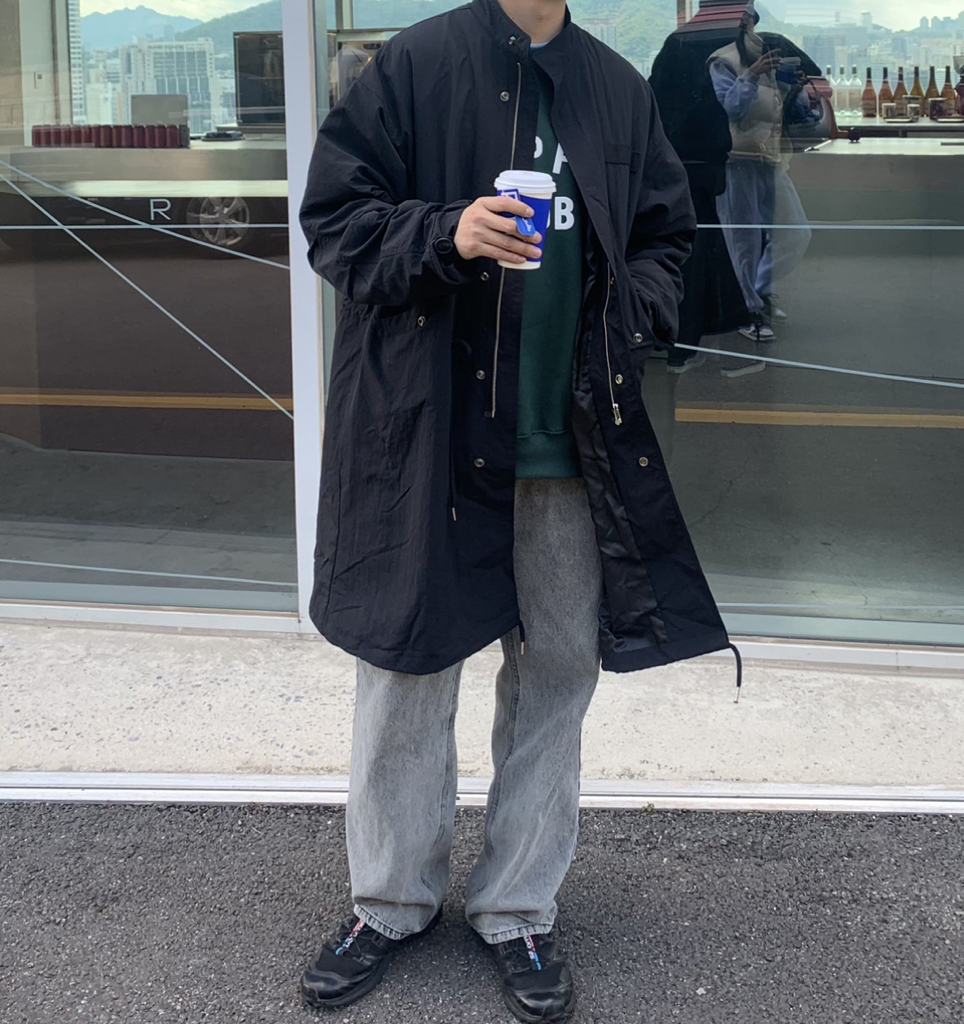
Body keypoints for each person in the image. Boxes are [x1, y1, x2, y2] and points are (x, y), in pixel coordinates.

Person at [298, 0, 737, 1018]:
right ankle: (389, 902)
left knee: (556, 677)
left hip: (570, 445)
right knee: (407, 669)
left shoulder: (614, 87)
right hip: (432, 434)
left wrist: (630, 316)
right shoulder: (414, 65)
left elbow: (668, 235)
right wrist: (446, 231)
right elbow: (334, 225)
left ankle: (518, 906)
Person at [649, 0, 750, 374]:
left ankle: (689, 341)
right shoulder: (703, 46)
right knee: (695, 250)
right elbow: (696, 111)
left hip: (683, 163)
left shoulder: (684, 41)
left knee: (699, 248)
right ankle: (684, 344)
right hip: (691, 165)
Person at [708, 2, 815, 344]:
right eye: (742, 15)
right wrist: (752, 75)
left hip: (770, 158)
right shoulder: (722, 60)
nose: (747, 22)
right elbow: (731, 110)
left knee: (795, 234)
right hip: (736, 161)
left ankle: (757, 292)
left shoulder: (769, 55)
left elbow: (785, 114)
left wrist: (793, 89)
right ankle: (749, 309)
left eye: (750, 16)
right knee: (745, 243)